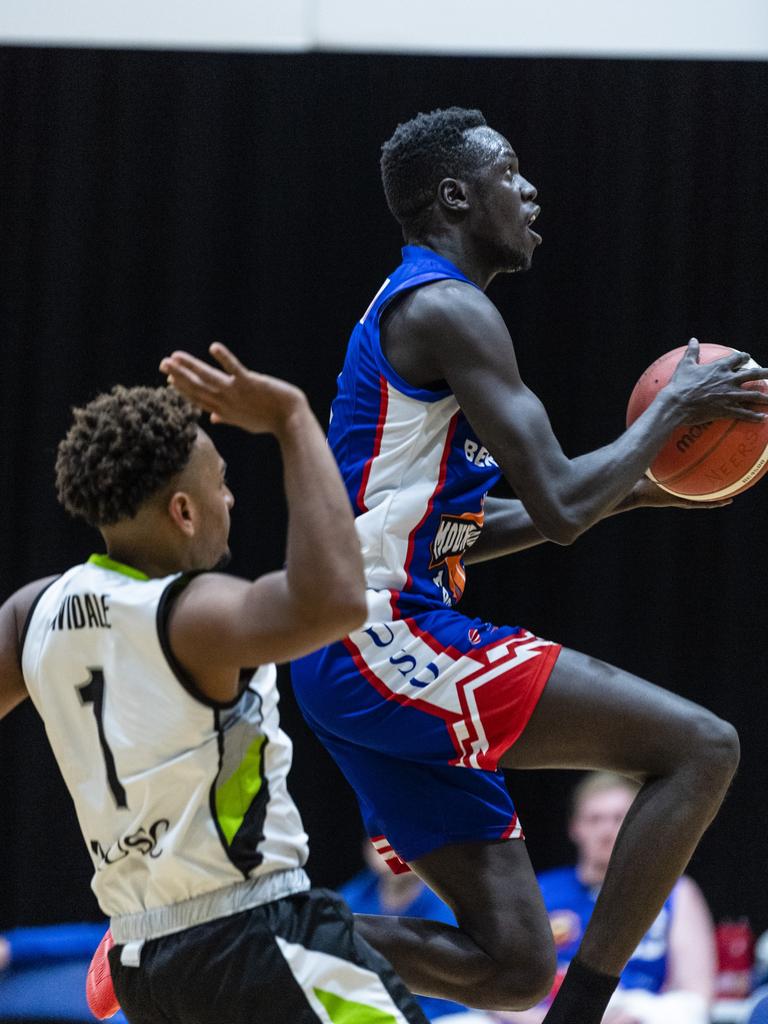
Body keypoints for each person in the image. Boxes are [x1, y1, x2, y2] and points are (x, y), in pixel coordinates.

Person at [290, 106, 768, 1024]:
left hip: (359, 646)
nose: (530, 188)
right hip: (376, 637)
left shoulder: (430, 307)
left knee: (511, 966)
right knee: (703, 748)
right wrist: (673, 417)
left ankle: (231, 934)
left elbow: (478, 529)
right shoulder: (448, 308)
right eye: (510, 170)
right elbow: (560, 503)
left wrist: (641, 488)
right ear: (457, 195)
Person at [0, 343, 429, 1024]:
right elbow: (338, 602)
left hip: (146, 967)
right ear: (184, 511)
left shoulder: (31, 613)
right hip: (256, 933)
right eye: (221, 482)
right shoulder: (193, 612)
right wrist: (292, 419)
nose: (229, 496)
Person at [500, 772, 716, 1024]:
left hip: (639, 1012)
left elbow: (697, 995)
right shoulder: (540, 890)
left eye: (618, 818)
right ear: (575, 827)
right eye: (594, 819)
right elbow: (500, 989)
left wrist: (638, 1014)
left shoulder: (676, 891)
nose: (606, 831)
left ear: (642, 824)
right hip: (549, 1015)